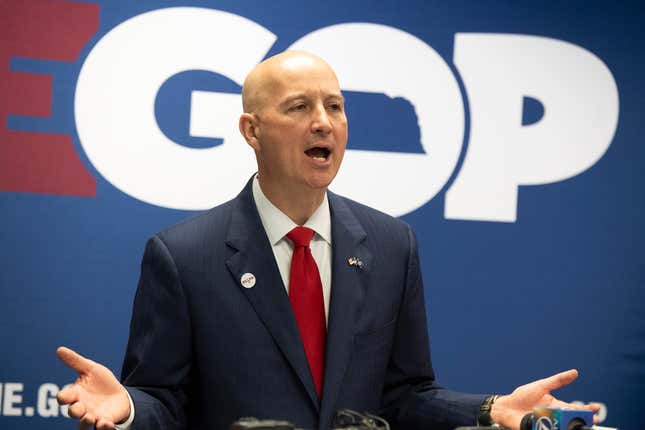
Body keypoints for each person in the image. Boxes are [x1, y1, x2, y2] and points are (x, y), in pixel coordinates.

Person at [56, 50, 599, 430]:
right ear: (251, 130)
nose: (324, 123)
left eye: (334, 107)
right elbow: (164, 400)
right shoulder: (184, 255)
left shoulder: (392, 245)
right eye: (299, 107)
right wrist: (127, 407)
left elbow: (406, 397)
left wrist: (492, 410)